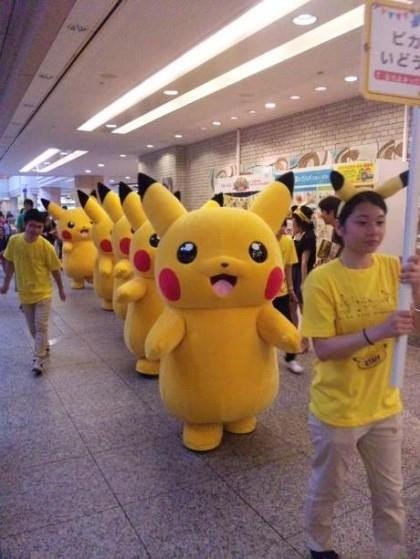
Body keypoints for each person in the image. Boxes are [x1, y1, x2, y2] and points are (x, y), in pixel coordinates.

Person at [302, 189, 420, 559]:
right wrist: (379, 332)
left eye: (380, 222)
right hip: (338, 409)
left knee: (391, 494)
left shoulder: (393, 268)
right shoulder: (322, 280)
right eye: (363, 222)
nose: (374, 231)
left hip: (384, 405)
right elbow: (324, 349)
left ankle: (393, 552)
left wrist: (417, 285)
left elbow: (414, 323)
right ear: (340, 227)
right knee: (328, 487)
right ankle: (318, 544)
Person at [1, 209, 66, 375]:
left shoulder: (46, 246)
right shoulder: (14, 241)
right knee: (33, 329)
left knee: (41, 326)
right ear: (25, 225)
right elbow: (10, 263)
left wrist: (61, 289)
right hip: (25, 294)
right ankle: (44, 345)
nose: (35, 230)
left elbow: (55, 270)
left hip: (43, 293)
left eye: (39, 227)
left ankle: (38, 359)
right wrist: (6, 284)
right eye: (32, 225)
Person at [272, 219, 304, 374]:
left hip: (281, 292)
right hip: (262, 296)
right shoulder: (261, 241)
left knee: (289, 327)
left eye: (283, 225)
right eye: (277, 225)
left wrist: (291, 290)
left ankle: (291, 358)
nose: (281, 228)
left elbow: (288, 267)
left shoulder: (288, 243)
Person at [291, 205, 316, 353]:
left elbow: (304, 262)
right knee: (294, 307)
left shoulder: (309, 236)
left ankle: (305, 342)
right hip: (294, 272)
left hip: (302, 274)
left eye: (295, 222)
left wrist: (303, 282)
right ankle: (296, 339)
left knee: (303, 310)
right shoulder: (298, 235)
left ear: (301, 222)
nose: (292, 224)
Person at [317, 195, 343, 263]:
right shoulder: (334, 230)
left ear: (331, 212)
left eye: (322, 211)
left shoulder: (345, 230)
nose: (321, 215)